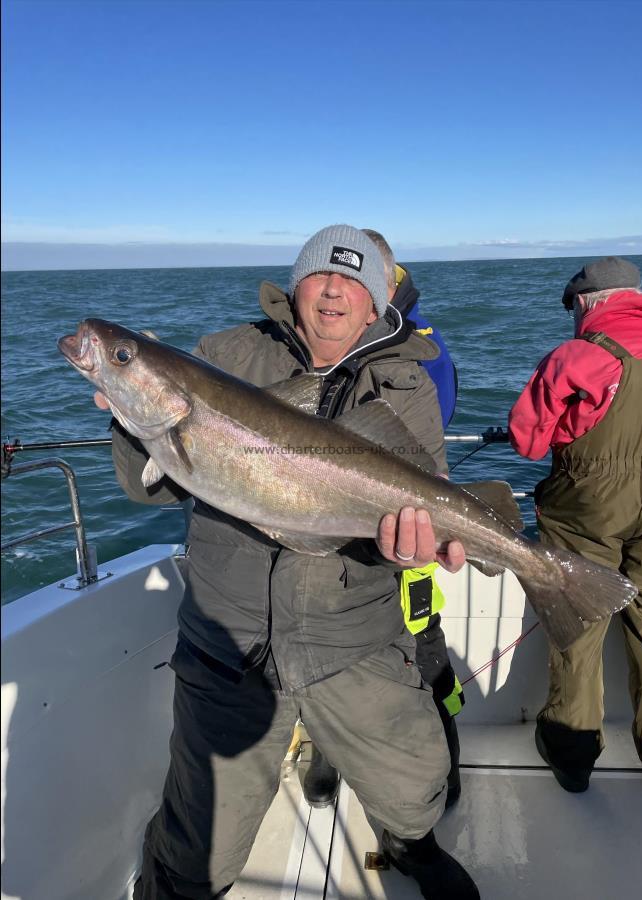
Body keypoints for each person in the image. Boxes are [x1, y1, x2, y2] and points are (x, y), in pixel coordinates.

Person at [100, 225, 480, 899]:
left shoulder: (406, 382)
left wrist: (404, 546)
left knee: (414, 786)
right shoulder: (225, 353)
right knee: (200, 846)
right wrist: (130, 419)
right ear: (293, 289)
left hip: (354, 632)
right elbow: (144, 484)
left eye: (353, 281)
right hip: (231, 633)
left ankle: (410, 842)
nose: (333, 289)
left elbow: (421, 498)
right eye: (317, 276)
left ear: (376, 303)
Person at [302, 229, 466, 813]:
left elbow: (435, 422)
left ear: (388, 285)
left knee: (424, 653)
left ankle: (443, 757)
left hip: (409, 529)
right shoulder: (312, 344)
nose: (344, 291)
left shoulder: (423, 347)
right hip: (334, 533)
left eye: (374, 278)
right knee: (334, 660)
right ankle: (328, 755)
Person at [508, 256, 642, 793]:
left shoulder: (578, 356)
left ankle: (572, 752)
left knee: (578, 623)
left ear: (584, 303)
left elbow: (528, 441)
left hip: (589, 510)